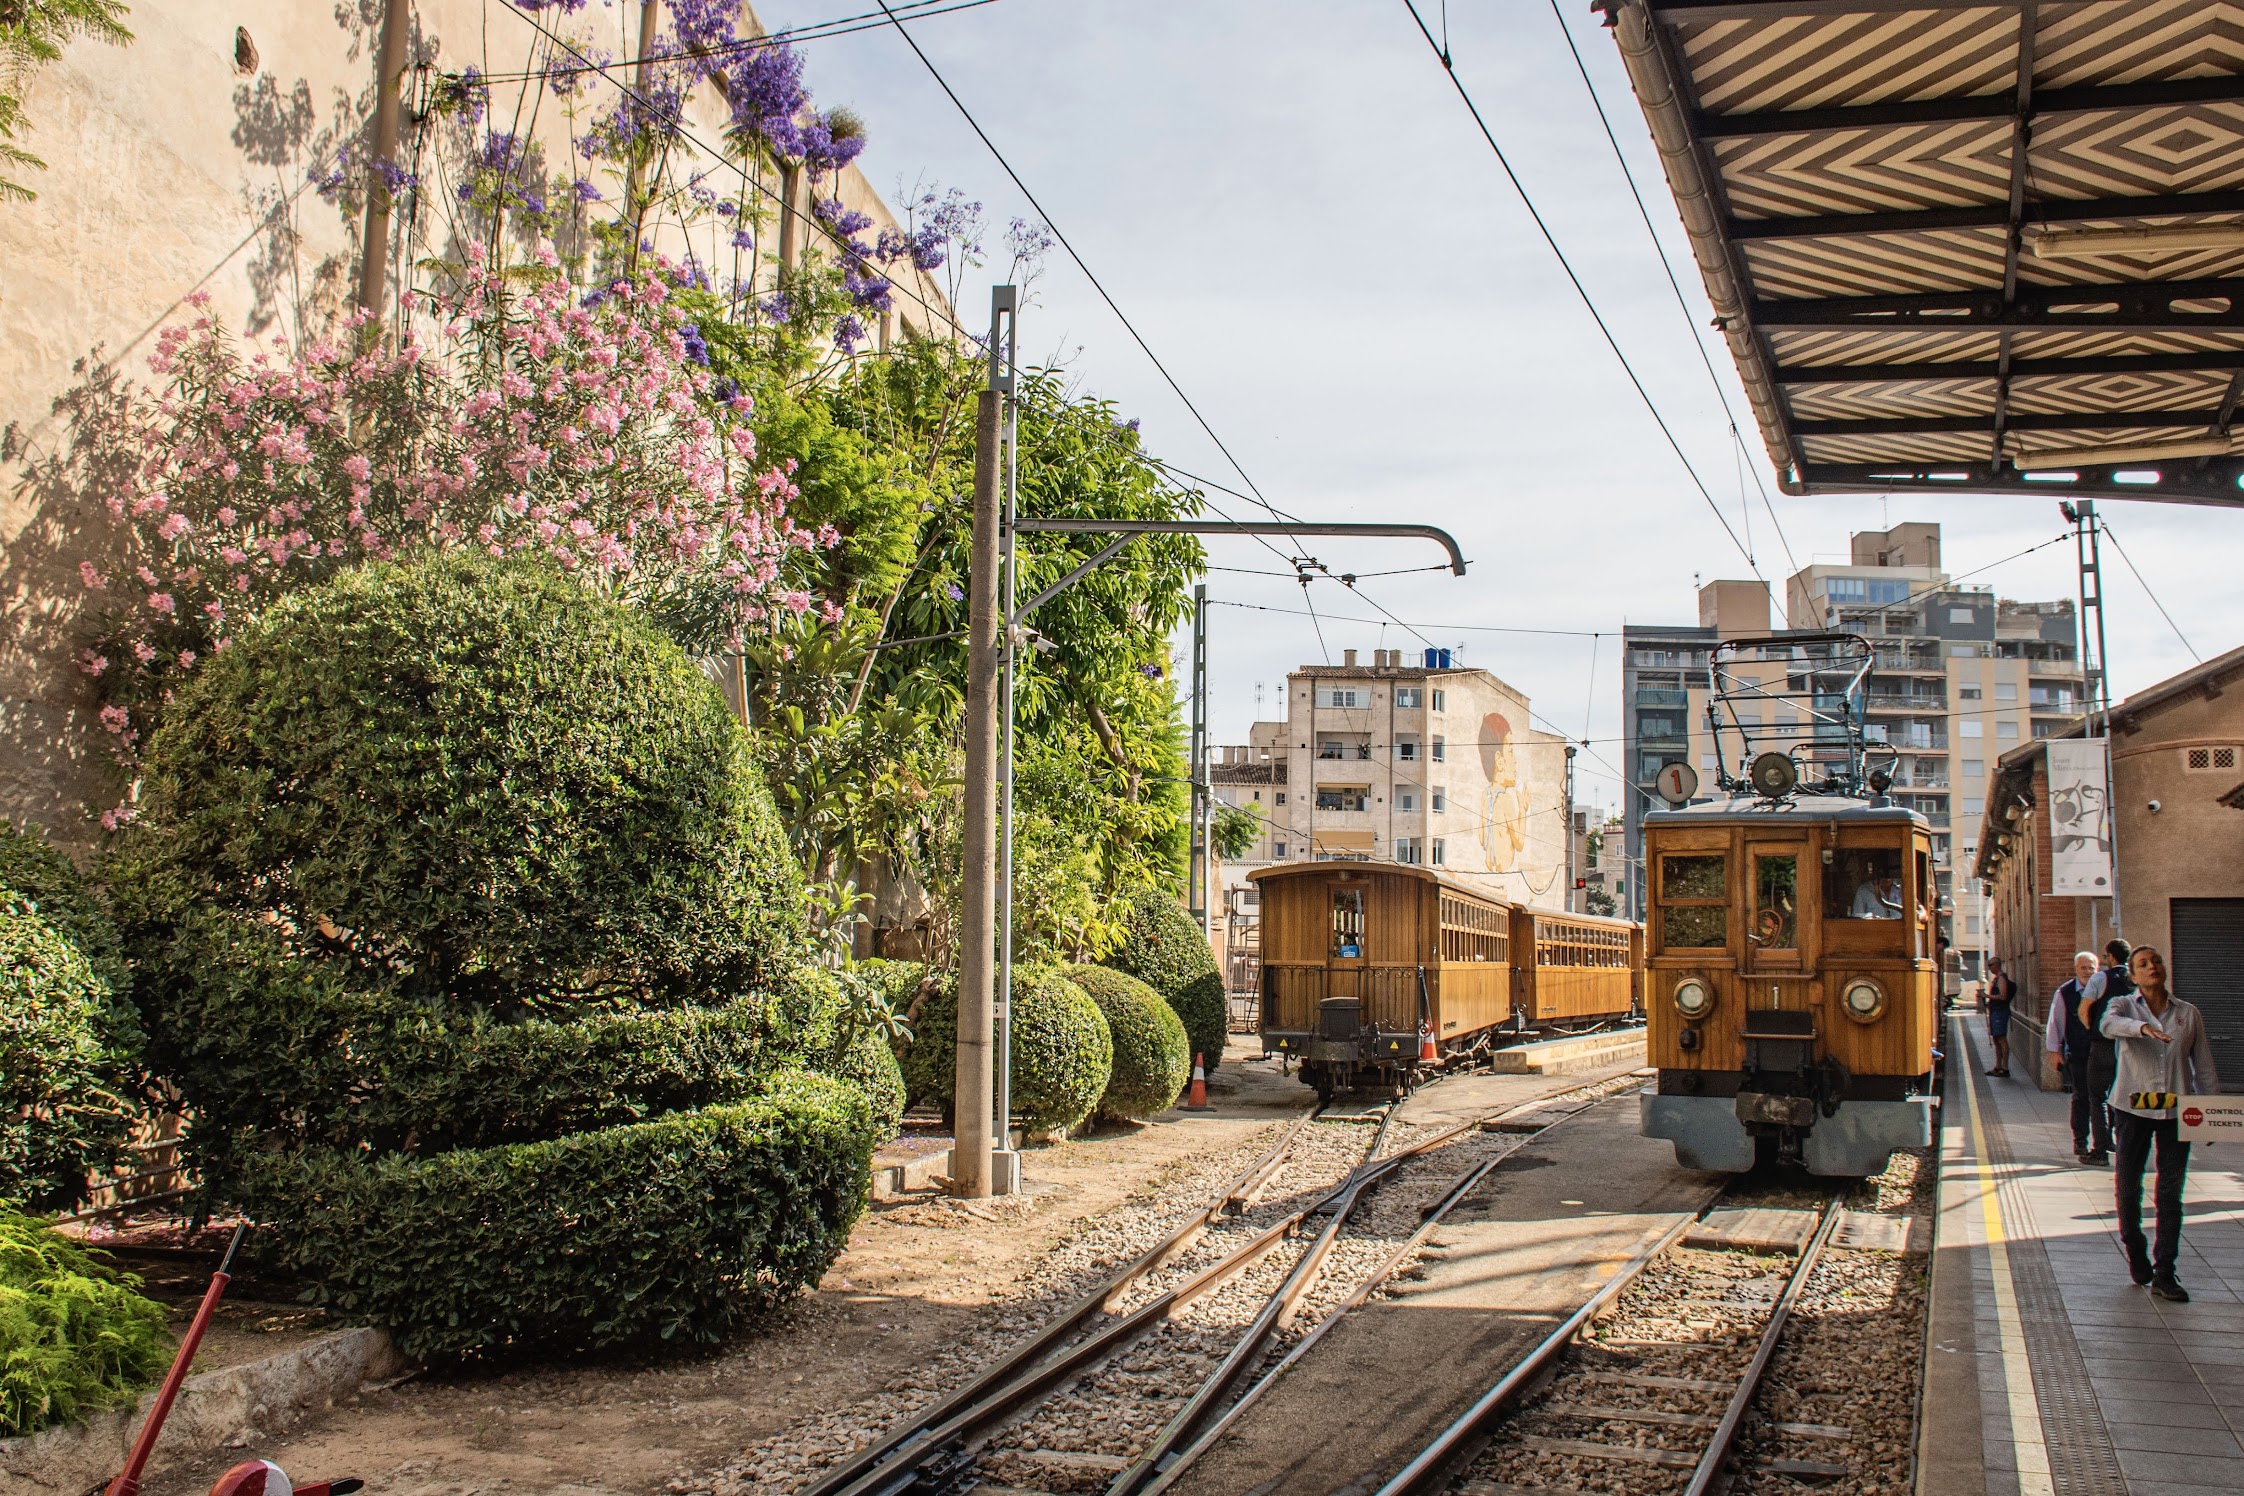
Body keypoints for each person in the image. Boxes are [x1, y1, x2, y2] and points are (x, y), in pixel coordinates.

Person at [2102, 945, 2220, 1302]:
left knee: (2170, 1193)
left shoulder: (2188, 1013)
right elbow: (2108, 1026)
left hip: (2174, 1113)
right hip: (2131, 1109)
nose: (2152, 966)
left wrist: (2212, 1115)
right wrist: (2143, 1029)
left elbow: (2205, 1066)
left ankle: (2164, 1272)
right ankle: (2136, 1251)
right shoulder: (2123, 1006)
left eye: (2156, 961)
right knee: (2128, 1188)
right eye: (2143, 964)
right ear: (2133, 975)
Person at [2054, 951, 2110, 1163]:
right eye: (2084, 968)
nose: (2088, 972)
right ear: (2076, 969)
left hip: (2103, 1054)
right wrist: (2054, 1050)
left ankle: (2104, 1141)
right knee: (2081, 1098)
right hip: (2078, 1054)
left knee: (2103, 1100)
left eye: (2092, 968)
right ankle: (2081, 1140)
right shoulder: (2065, 992)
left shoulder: (2104, 990)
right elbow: (2056, 1023)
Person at [1982, 955, 2016, 1077]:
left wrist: (1987, 996)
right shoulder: (1997, 979)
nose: (1989, 968)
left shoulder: (2001, 979)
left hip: (2000, 1012)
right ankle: (1998, 1066)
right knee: (1996, 1039)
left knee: (2001, 1039)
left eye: (1990, 965)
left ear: (1997, 965)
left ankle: (2005, 1068)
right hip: (1996, 1011)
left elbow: (2003, 996)